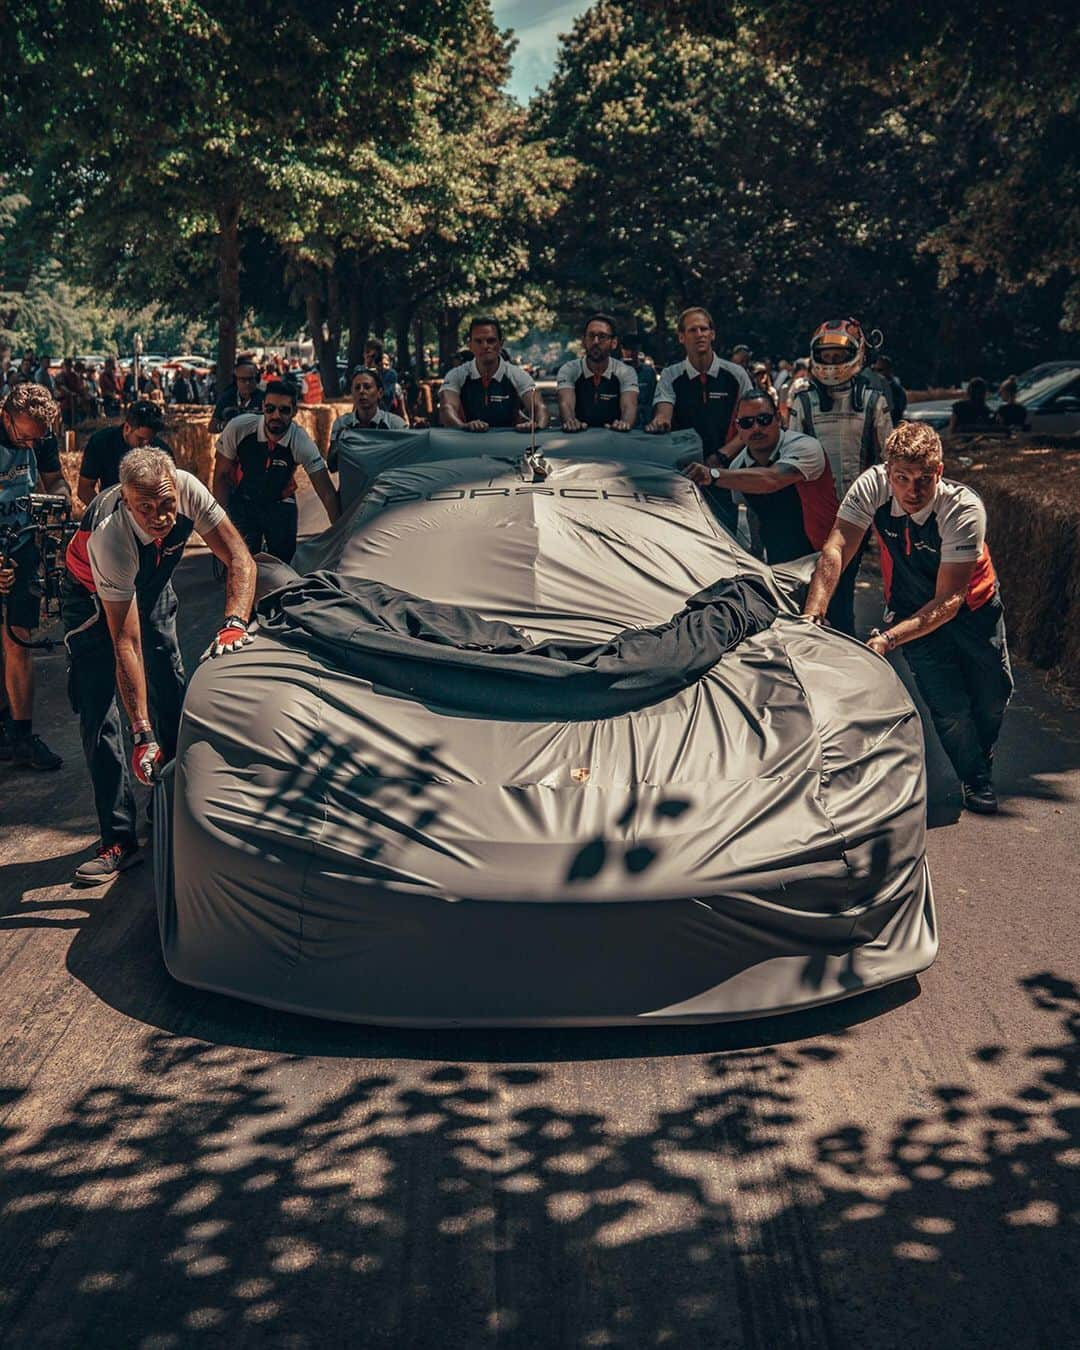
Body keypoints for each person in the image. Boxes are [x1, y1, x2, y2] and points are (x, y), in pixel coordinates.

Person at [63, 448, 256, 880]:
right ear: (125, 501)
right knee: (101, 714)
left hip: (151, 585)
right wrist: (141, 734)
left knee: (171, 686)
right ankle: (118, 838)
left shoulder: (188, 488)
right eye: (145, 508)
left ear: (176, 486)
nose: (160, 516)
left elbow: (239, 557)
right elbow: (125, 643)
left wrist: (233, 623)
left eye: (166, 503)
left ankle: (171, 812)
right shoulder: (110, 536)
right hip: (94, 601)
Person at [803, 421, 1012, 814]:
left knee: (994, 697)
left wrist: (888, 639)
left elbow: (950, 599)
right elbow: (837, 548)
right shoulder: (871, 488)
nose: (912, 491)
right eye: (902, 478)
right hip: (909, 602)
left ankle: (977, 757)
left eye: (924, 480)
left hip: (973, 607)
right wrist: (813, 614)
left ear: (940, 471)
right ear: (887, 473)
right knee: (949, 707)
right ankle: (976, 779)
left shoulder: (963, 508)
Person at [787, 318, 893, 634]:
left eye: (838, 356)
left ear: (857, 354)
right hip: (812, 507)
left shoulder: (875, 399)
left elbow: (888, 455)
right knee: (813, 579)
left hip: (856, 509)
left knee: (842, 583)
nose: (832, 363)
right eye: (826, 355)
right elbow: (791, 453)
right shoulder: (803, 400)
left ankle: (839, 640)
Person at [685, 388, 839, 573]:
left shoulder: (805, 447)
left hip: (827, 553)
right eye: (746, 423)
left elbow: (771, 479)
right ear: (738, 428)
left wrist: (713, 475)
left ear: (778, 419)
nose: (756, 428)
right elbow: (754, 515)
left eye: (763, 419)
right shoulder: (737, 468)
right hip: (780, 562)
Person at [0, 383, 68, 770]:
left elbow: (56, 479)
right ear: (5, 416)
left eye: (35, 439)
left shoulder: (40, 436)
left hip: (22, 540)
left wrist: (59, 497)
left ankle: (22, 736)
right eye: (22, 437)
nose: (29, 445)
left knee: (18, 636)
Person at [646, 307, 752, 535]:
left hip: (725, 471)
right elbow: (664, 410)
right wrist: (660, 421)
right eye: (693, 330)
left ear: (713, 334)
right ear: (682, 337)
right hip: (684, 475)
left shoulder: (736, 375)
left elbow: (751, 424)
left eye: (704, 329)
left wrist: (722, 456)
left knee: (727, 539)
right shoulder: (670, 375)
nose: (700, 334)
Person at [212, 380, 340, 563]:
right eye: (270, 409)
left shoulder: (301, 441)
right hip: (243, 500)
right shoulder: (238, 428)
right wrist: (219, 526)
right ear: (262, 406)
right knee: (238, 564)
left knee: (283, 566)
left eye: (284, 410)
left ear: (295, 412)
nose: (275, 416)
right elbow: (221, 477)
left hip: (279, 502)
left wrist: (341, 534)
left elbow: (327, 493)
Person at [439, 318, 547, 432]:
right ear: (470, 345)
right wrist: (464, 426)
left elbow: (539, 407)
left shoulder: (518, 375)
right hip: (467, 440)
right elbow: (447, 408)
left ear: (501, 344)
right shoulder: (455, 375)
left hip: (508, 443)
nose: (485, 346)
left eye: (491, 340)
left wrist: (537, 427)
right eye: (478, 341)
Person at [77, 400, 173, 505]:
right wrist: (105, 512)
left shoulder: (162, 451)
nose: (146, 445)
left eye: (150, 439)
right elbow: (84, 489)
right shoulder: (101, 442)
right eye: (140, 439)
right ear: (127, 428)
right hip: (113, 506)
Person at [556, 314, 639, 431]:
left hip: (614, 437)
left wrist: (624, 423)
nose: (595, 341)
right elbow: (566, 404)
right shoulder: (569, 369)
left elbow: (629, 406)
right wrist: (570, 422)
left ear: (614, 343)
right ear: (583, 341)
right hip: (577, 437)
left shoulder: (626, 371)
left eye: (602, 336)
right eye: (591, 336)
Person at [327, 366, 406, 472]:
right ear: (352, 394)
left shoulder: (395, 425)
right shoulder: (341, 424)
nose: (362, 391)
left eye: (367, 387)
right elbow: (332, 466)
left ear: (380, 393)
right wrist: (341, 443)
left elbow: (406, 464)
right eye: (357, 388)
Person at [210, 358, 264, 433]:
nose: (247, 383)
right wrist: (224, 426)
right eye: (243, 380)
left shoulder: (264, 398)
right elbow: (211, 427)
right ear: (236, 380)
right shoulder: (227, 397)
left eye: (251, 379)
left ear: (257, 379)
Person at [619, 333, 657, 428]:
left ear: (638, 349)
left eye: (633, 349)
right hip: (621, 425)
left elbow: (654, 399)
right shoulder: (614, 371)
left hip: (645, 425)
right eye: (626, 349)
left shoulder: (648, 372)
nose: (630, 352)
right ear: (622, 349)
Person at [873, 355, 907, 423]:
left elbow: (895, 411)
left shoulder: (897, 390)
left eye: (880, 370)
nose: (876, 373)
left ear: (889, 370)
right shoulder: (873, 387)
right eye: (874, 370)